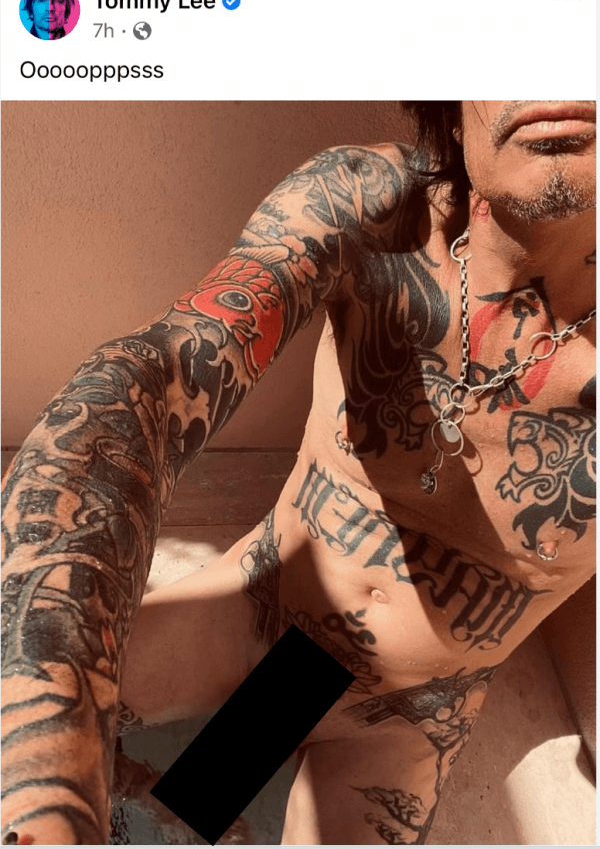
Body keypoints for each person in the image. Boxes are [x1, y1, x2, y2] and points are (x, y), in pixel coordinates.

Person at [1, 101, 595, 846]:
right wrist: (46, 758)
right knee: (35, 732)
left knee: (188, 806)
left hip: (411, 715)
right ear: (452, 105)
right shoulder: (375, 207)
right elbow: (148, 387)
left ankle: (189, 800)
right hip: (263, 619)